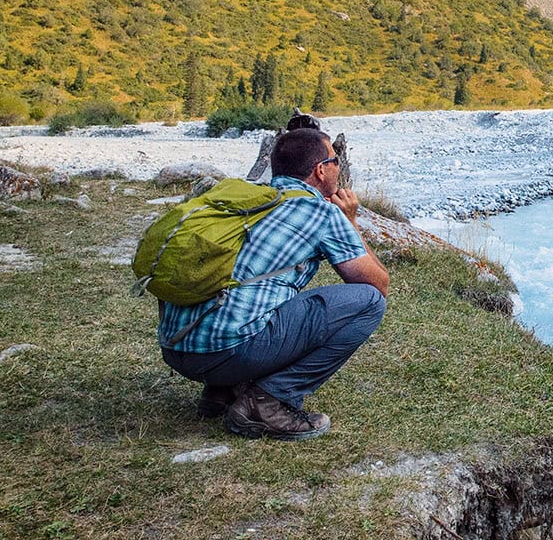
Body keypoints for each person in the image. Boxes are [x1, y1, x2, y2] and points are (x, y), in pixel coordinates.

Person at [158, 127, 390, 441]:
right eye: (335, 160)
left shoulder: (248, 198)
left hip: (176, 348)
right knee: (369, 303)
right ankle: (267, 402)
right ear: (320, 170)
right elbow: (377, 283)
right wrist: (350, 220)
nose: (338, 166)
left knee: (256, 292)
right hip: (226, 354)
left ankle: (222, 391)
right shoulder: (320, 212)